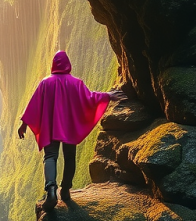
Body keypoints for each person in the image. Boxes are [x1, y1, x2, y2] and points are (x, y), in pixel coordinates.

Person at [18, 50, 126, 211]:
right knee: (69, 157)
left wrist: (24, 124)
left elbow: (34, 105)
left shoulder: (45, 83)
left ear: (53, 64)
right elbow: (90, 98)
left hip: (50, 126)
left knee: (50, 156)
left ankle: (51, 190)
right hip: (69, 127)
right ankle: (66, 189)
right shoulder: (76, 83)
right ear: (68, 64)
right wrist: (108, 95)